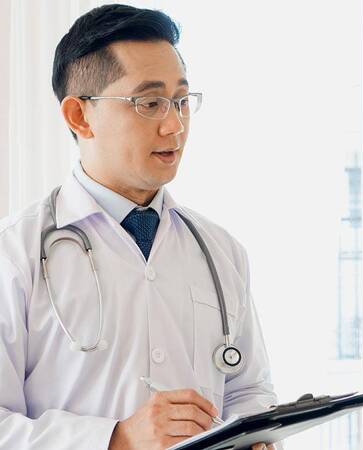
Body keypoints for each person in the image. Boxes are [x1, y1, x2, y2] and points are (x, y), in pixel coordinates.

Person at [0, 4, 277, 450]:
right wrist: (116, 439)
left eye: (182, 101)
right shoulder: (14, 254)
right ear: (79, 116)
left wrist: (257, 437)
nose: (175, 125)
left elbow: (248, 391)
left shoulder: (221, 251)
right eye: (149, 103)